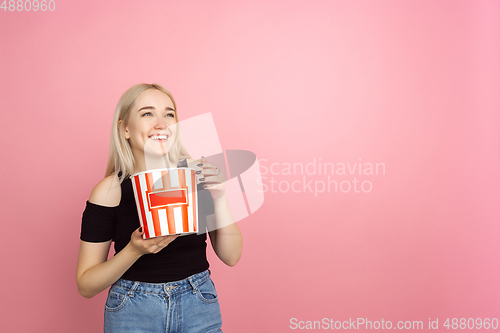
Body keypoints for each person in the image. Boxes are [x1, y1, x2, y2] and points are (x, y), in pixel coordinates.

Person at [76, 83, 242, 332]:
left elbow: (231, 256)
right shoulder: (110, 191)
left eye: (169, 114)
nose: (161, 123)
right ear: (125, 129)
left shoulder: (198, 175)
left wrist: (219, 196)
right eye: (147, 113)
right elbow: (86, 285)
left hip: (198, 303)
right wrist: (134, 250)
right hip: (133, 308)